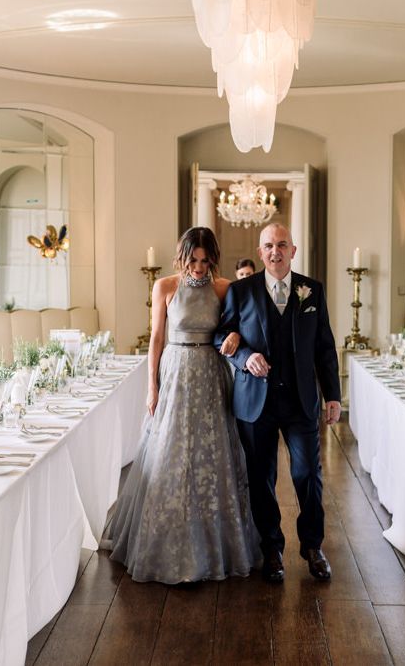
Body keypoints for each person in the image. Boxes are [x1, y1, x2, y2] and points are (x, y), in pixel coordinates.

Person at [109, 227, 260, 583]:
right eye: (193, 260)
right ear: (183, 256)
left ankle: (214, 546)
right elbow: (156, 339)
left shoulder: (225, 288)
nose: (199, 268)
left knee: (213, 456)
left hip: (210, 372)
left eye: (206, 262)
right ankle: (164, 543)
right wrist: (151, 387)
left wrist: (236, 335)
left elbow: (235, 329)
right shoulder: (164, 286)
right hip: (175, 371)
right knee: (169, 453)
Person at [216, 222, 341, 583]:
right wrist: (244, 357)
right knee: (261, 477)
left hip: (301, 401)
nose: (275, 251)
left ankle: (313, 546)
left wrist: (332, 394)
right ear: (260, 253)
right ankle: (271, 548)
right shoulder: (241, 291)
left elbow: (325, 346)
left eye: (282, 245)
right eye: (269, 246)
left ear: (293, 250)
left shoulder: (311, 291)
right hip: (255, 401)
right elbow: (221, 336)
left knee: (308, 475)